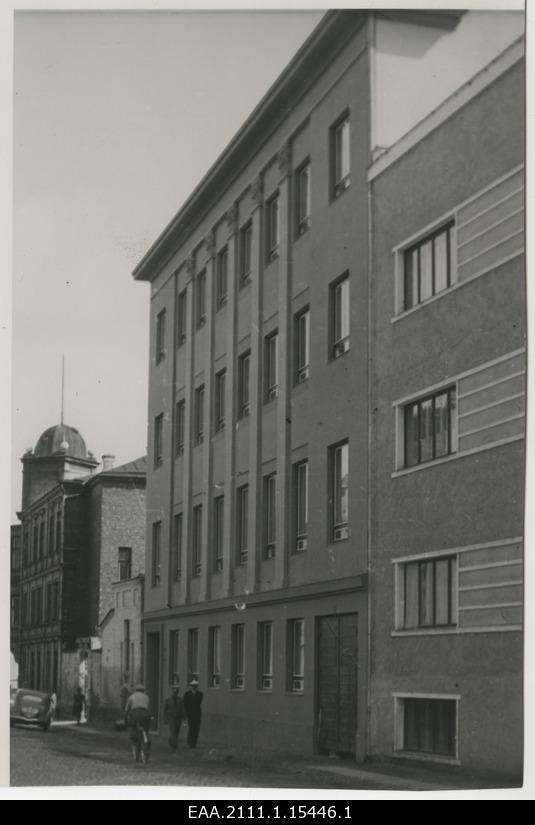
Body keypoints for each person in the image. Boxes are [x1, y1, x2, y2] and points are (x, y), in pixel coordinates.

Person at [124, 683, 151, 751]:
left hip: (135, 713)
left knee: (132, 725)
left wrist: (125, 717)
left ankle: (134, 738)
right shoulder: (146, 696)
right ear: (143, 690)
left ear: (136, 690)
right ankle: (146, 738)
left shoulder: (132, 696)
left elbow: (127, 709)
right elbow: (148, 707)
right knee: (145, 728)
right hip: (145, 713)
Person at [163, 684, 185, 752]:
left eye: (176, 692)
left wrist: (184, 718)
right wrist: (165, 719)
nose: (175, 693)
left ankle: (171, 741)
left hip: (178, 718)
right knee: (173, 731)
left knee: (176, 731)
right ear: (172, 692)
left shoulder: (181, 700)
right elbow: (165, 710)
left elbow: (183, 709)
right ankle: (175, 746)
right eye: (174, 692)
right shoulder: (168, 700)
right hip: (171, 718)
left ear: (177, 692)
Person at [183, 679, 203, 748]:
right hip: (190, 714)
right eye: (192, 686)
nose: (194, 687)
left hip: (197, 714)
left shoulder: (200, 694)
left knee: (196, 728)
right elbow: (185, 704)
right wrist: (186, 714)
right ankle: (190, 742)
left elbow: (199, 703)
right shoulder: (187, 694)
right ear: (190, 686)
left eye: (195, 686)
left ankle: (194, 742)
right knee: (191, 728)